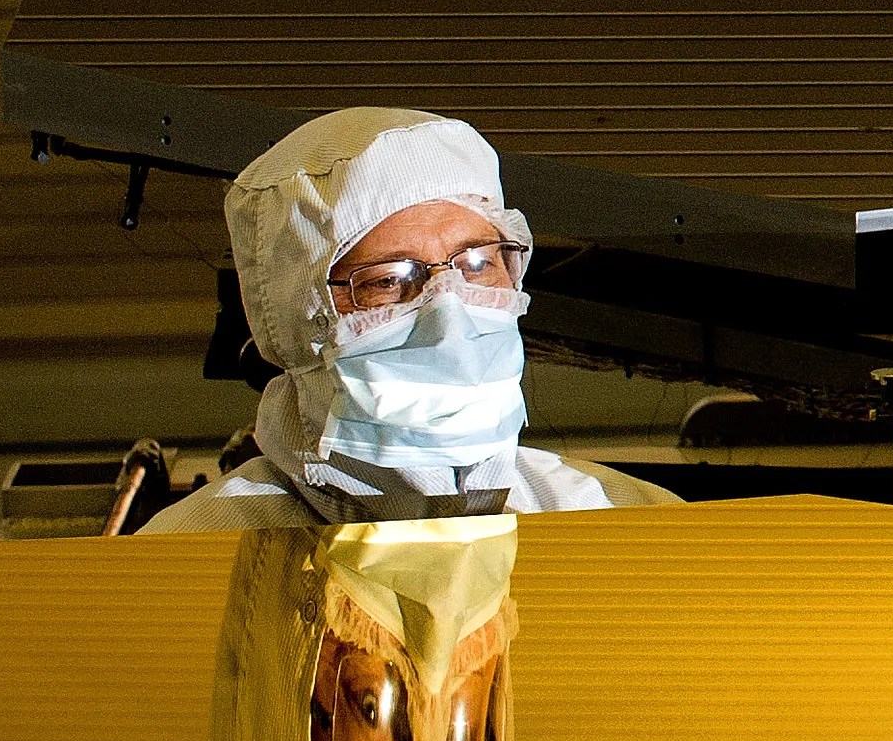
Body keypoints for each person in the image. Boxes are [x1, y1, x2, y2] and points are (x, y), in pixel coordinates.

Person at [133, 106, 679, 532]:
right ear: (299, 323)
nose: (450, 313)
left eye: (479, 263)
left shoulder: (631, 527)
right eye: (389, 279)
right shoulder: (190, 557)